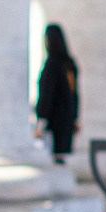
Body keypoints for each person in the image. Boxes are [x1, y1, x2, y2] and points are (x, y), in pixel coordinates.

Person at [34, 21, 80, 159]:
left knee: (54, 157)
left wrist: (41, 120)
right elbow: (74, 94)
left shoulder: (53, 65)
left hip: (55, 121)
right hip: (67, 119)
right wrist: (75, 117)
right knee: (61, 157)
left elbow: (47, 94)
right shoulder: (69, 63)